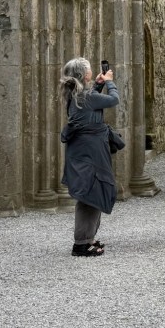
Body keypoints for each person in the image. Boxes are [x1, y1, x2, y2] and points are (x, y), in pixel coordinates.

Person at [60, 57, 119, 257]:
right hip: (90, 151)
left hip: (83, 149)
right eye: (89, 70)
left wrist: (98, 85)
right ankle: (82, 244)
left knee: (92, 191)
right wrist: (110, 82)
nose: (92, 71)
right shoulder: (86, 96)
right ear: (84, 74)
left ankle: (88, 238)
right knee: (90, 194)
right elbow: (114, 100)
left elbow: (90, 101)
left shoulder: (76, 94)